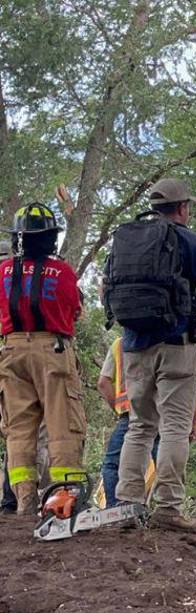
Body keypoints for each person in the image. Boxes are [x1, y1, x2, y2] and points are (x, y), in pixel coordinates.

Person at [112, 178, 196, 532]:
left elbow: (107, 288)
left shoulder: (127, 240)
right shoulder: (192, 241)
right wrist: (188, 305)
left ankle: (127, 503)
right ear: (183, 208)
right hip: (178, 345)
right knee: (174, 426)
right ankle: (168, 509)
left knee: (139, 426)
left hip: (133, 345)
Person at [0, 203, 86, 515]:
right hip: (53, 350)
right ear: (50, 237)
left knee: (19, 429)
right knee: (63, 424)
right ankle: (64, 500)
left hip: (11, 352)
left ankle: (24, 502)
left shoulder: (3, 270)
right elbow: (74, 310)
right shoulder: (62, 271)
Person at [97, 336, 158, 507]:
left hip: (131, 413)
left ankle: (114, 509)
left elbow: (103, 383)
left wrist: (118, 408)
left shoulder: (119, 345)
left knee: (112, 464)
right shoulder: (165, 337)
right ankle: (168, 507)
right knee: (163, 457)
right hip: (161, 410)